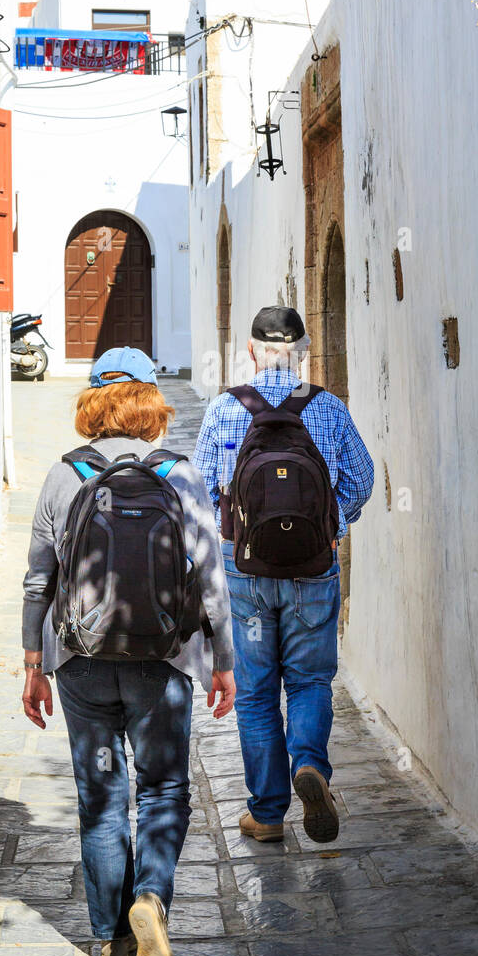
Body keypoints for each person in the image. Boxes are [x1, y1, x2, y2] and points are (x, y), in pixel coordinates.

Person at [21, 346, 235, 956]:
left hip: (83, 664)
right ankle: (152, 898)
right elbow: (212, 579)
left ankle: (112, 939)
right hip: (161, 662)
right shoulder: (180, 473)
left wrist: (34, 662)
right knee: (165, 788)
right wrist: (221, 662)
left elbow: (38, 581)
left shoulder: (65, 474)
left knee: (103, 797)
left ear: (93, 403)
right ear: (150, 401)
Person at [193, 306, 373, 845]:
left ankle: (267, 813)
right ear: (304, 353)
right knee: (311, 679)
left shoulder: (227, 408)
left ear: (250, 351)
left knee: (254, 693)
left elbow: (202, 492)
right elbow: (360, 480)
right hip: (314, 571)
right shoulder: (329, 408)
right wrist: (329, 526)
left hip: (245, 573)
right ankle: (310, 765)